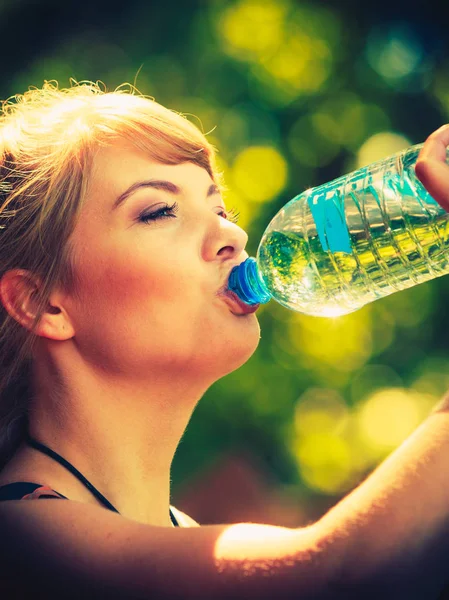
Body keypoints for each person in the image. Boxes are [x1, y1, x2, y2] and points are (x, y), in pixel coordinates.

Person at [0, 80, 448, 599]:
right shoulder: (23, 534)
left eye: (219, 210)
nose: (233, 236)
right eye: (159, 211)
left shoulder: (180, 535)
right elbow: (344, 576)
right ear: (42, 304)